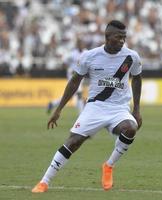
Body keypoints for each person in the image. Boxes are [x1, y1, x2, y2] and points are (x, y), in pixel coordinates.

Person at [32, 20, 142, 193]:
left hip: (119, 108)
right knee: (74, 141)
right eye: (118, 37)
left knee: (130, 128)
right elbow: (74, 81)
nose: (122, 41)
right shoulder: (90, 56)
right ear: (107, 37)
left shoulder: (131, 57)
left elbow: (137, 78)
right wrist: (59, 109)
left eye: (124, 37)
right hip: (95, 107)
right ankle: (44, 182)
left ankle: (109, 166)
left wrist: (136, 109)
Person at [47, 39, 86, 114]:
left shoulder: (86, 52)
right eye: (80, 44)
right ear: (77, 45)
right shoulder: (72, 54)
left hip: (81, 75)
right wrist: (70, 69)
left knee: (70, 94)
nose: (81, 45)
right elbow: (64, 62)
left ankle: (53, 103)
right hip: (73, 76)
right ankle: (81, 114)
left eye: (82, 43)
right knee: (78, 93)